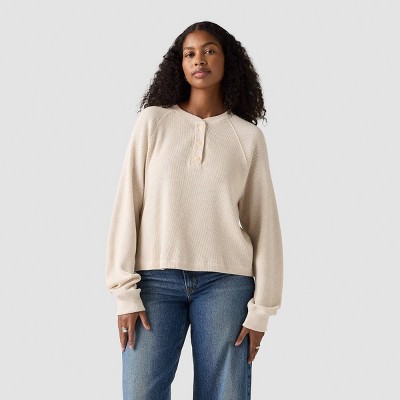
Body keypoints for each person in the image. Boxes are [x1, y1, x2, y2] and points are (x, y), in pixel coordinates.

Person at [106, 20, 284, 400]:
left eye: (209, 51)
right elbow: (127, 205)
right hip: (154, 282)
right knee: (140, 392)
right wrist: (124, 292)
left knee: (225, 394)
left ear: (227, 60)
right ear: (180, 64)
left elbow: (264, 224)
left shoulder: (248, 138)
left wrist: (262, 310)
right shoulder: (153, 122)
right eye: (190, 53)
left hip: (226, 284)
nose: (199, 59)